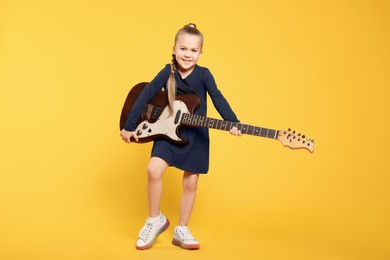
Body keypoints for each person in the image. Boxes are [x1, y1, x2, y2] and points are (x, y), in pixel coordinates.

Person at [120, 23, 242, 250]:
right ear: (174, 49)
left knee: (190, 183)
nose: (188, 54)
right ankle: (154, 219)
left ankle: (181, 229)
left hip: (196, 135)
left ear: (201, 53)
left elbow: (218, 98)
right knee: (153, 169)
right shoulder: (168, 72)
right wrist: (129, 126)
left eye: (193, 50)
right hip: (167, 131)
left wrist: (232, 122)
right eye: (183, 49)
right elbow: (145, 95)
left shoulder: (204, 75)